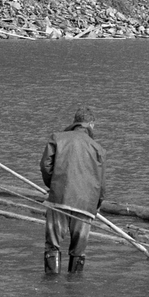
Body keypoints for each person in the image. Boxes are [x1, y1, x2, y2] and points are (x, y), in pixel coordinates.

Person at [40, 106, 105, 274]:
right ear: (90, 124)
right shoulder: (98, 148)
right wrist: (97, 205)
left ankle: (51, 286)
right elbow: (101, 183)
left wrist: (53, 186)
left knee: (52, 245)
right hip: (85, 205)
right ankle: (74, 289)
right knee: (78, 251)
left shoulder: (57, 138)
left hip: (59, 199)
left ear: (75, 122)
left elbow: (46, 166)